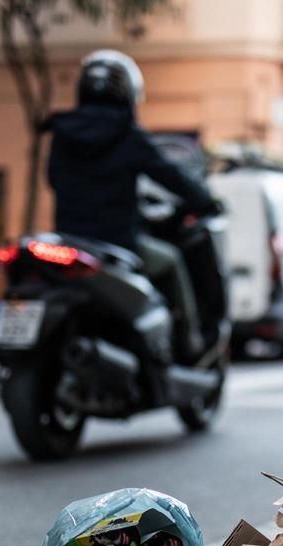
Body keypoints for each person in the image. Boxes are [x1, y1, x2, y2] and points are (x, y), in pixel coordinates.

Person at [42, 50, 217, 360]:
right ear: (128, 92)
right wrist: (203, 200)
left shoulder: (62, 131)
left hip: (69, 243)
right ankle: (190, 341)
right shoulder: (127, 133)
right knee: (173, 260)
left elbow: (54, 179)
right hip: (118, 244)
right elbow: (170, 175)